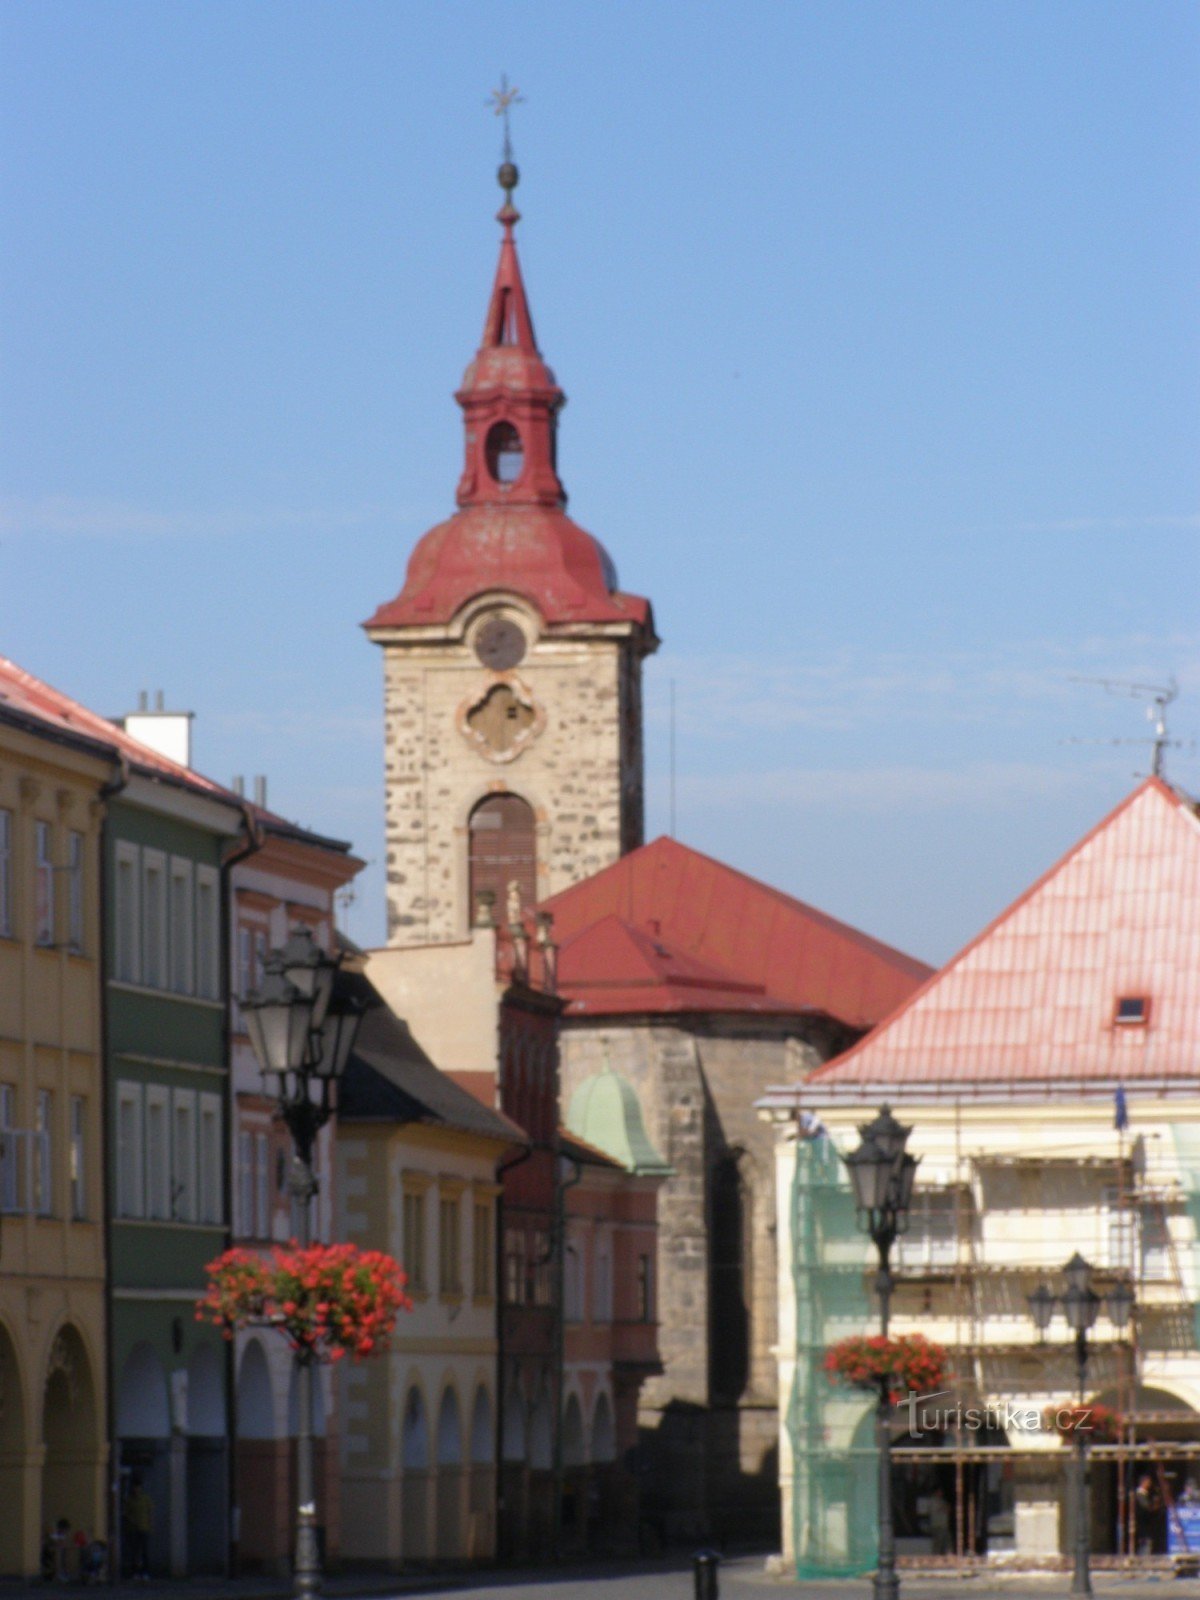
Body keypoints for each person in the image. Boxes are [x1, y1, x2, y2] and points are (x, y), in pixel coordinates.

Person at [124, 1476, 153, 1583]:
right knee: (135, 1552)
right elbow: (126, 1514)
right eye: (135, 1487)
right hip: (133, 1529)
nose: (136, 1489)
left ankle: (145, 1573)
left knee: (144, 1551)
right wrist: (131, 1521)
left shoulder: (145, 1499)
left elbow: (150, 1512)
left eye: (138, 1487)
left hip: (144, 1528)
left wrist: (150, 1525)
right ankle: (135, 1572)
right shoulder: (129, 1500)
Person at [1135, 1472, 1162, 1556]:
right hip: (1143, 1526)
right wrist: (1155, 1505)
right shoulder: (1139, 1495)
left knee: (1146, 1545)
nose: (1150, 1485)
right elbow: (1146, 1508)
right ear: (1144, 1482)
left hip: (1146, 1526)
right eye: (1148, 1482)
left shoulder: (1145, 1495)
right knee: (1145, 1545)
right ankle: (1142, 1563)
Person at [928, 1486, 952, 1556]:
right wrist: (944, 1508)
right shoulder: (933, 1501)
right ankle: (935, 1557)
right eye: (939, 1492)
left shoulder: (942, 1501)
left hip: (944, 1526)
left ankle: (949, 1556)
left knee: (947, 1543)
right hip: (937, 1526)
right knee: (938, 1544)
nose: (941, 1493)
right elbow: (938, 1509)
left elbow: (948, 1509)